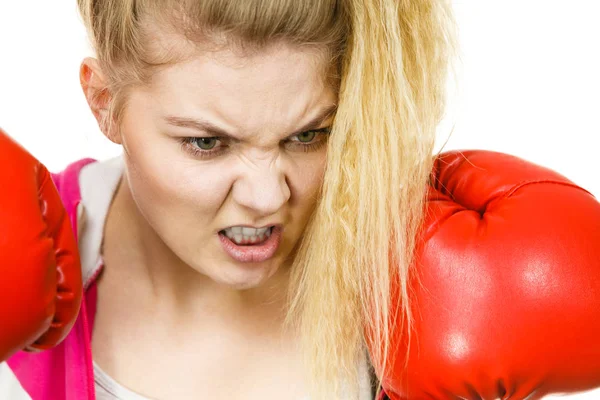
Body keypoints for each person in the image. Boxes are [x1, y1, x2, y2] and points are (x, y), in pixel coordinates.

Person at [0, 0, 459, 399]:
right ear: (103, 102)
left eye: (307, 135)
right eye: (207, 143)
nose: (267, 196)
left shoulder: (413, 275)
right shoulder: (20, 264)